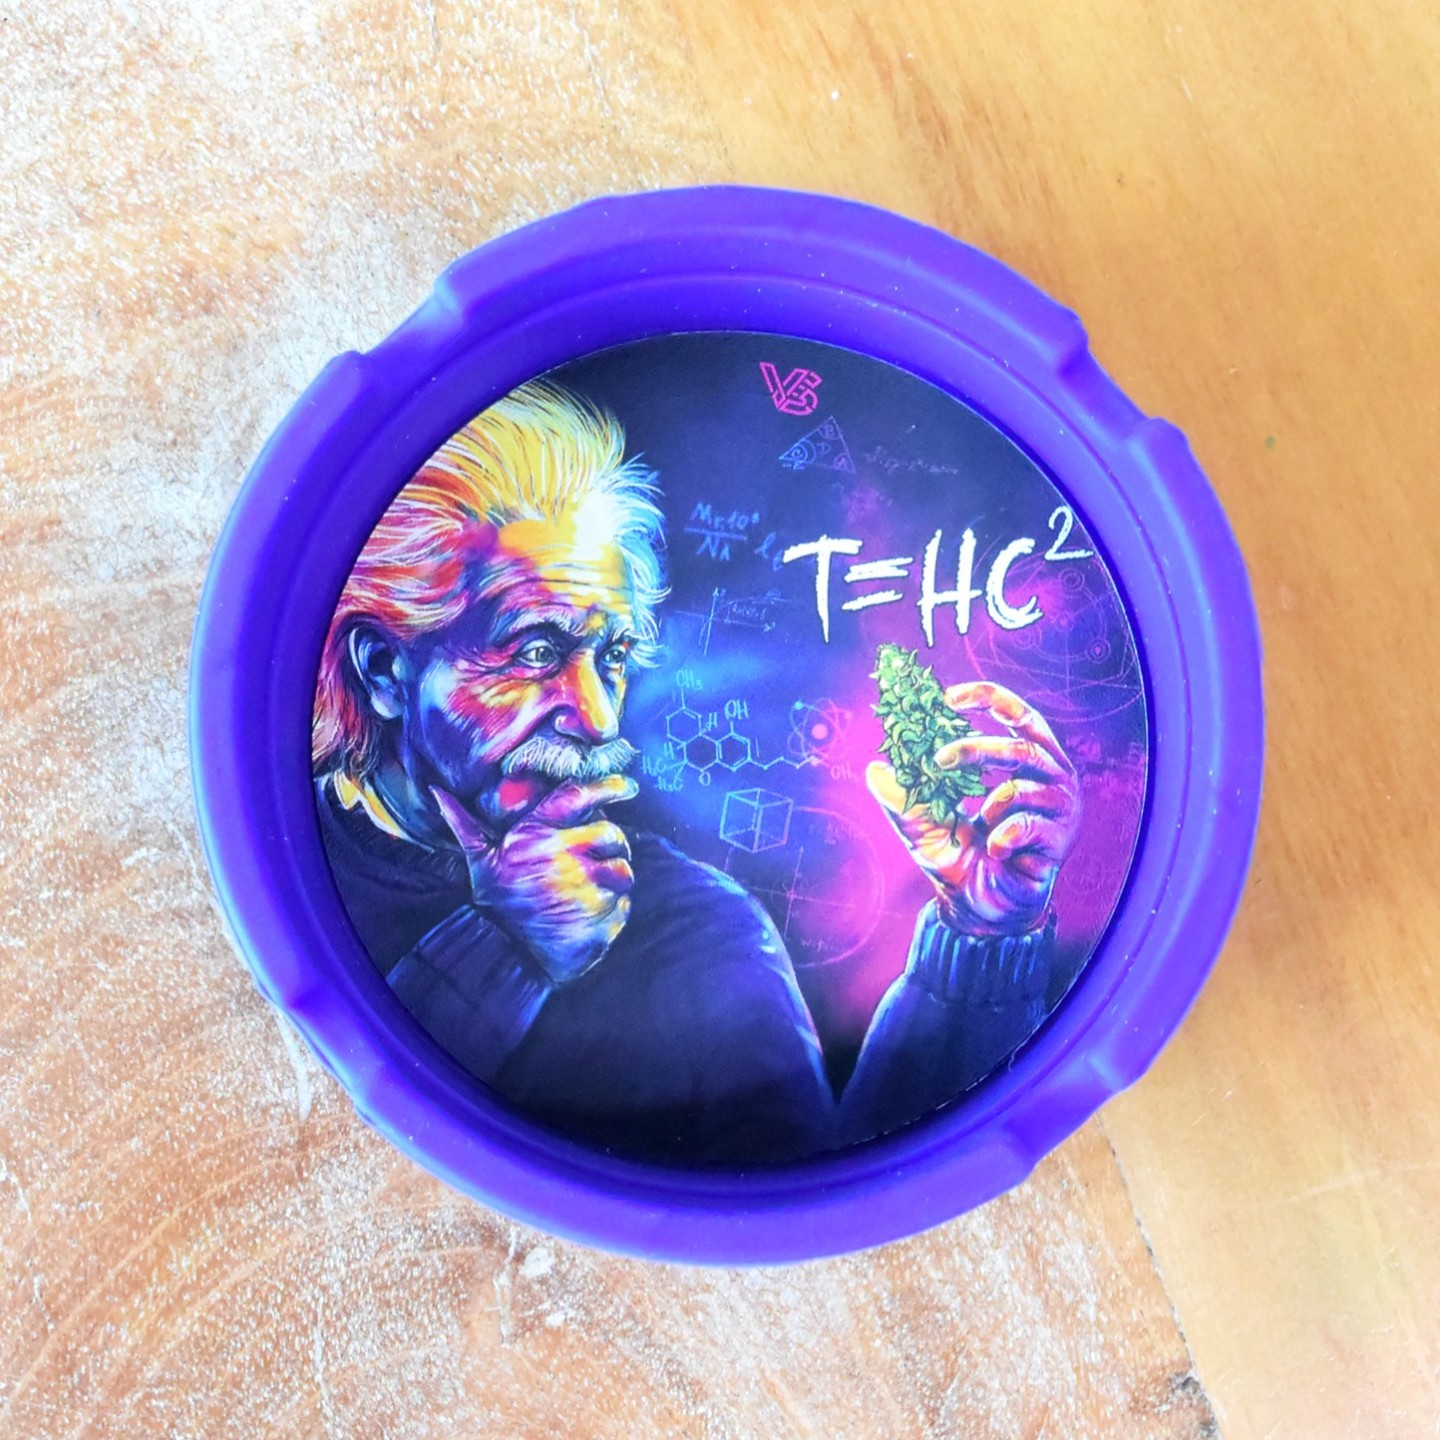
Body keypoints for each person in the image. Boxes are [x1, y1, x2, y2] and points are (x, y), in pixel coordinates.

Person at [312, 383, 1080, 1165]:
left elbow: (813, 1195)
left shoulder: (701, 932)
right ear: (383, 669)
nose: (597, 718)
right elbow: (325, 1150)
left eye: (611, 656)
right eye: (536, 652)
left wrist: (983, 941)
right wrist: (501, 949)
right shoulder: (292, 866)